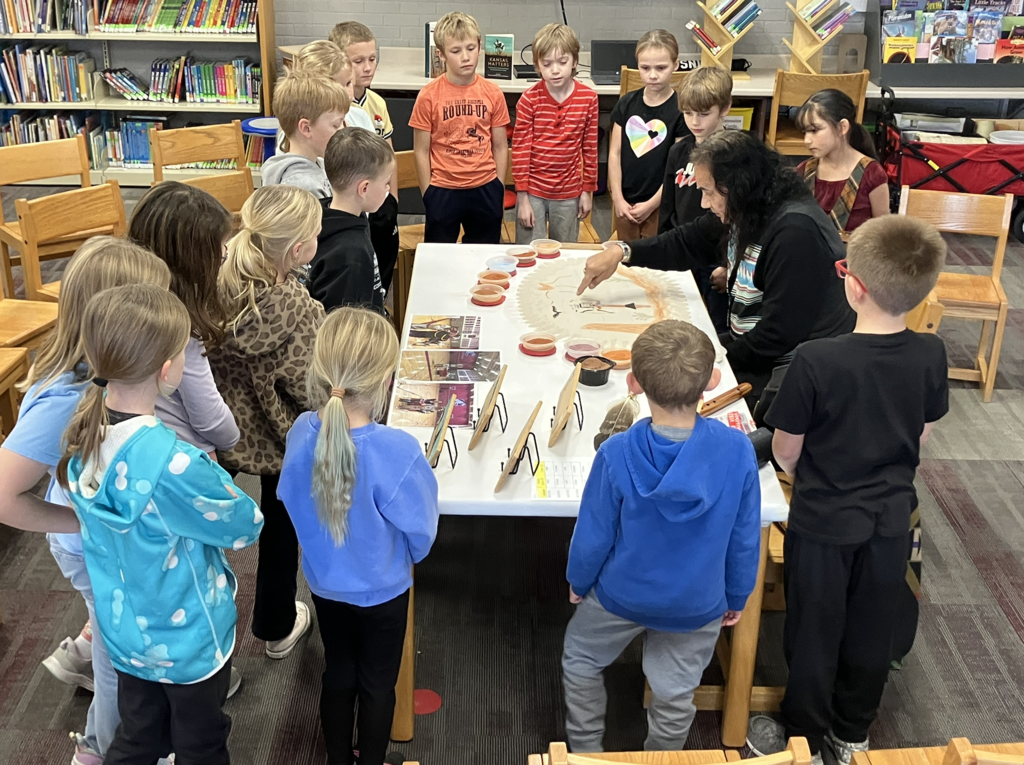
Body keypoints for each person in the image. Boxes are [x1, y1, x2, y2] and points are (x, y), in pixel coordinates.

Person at [747, 215, 949, 765]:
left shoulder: (817, 360)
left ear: (853, 285)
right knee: (872, 624)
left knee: (814, 627)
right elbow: (923, 431)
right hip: (892, 520)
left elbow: (787, 451)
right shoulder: (932, 354)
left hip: (823, 518)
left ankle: (806, 737)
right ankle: (853, 732)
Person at [57, 284, 262, 765]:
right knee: (201, 744)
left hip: (125, 633)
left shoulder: (82, 440)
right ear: (168, 370)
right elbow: (245, 525)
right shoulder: (175, 465)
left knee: (139, 737)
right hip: (189, 639)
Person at [0, 238, 172, 765]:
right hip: (90, 546)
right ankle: (101, 749)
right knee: (117, 655)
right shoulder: (68, 398)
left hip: (104, 541)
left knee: (116, 640)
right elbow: (4, 494)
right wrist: (79, 522)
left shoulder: (99, 380)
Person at [562, 320, 761, 753]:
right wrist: (737, 595)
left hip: (622, 594)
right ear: (712, 380)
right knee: (675, 694)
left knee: (579, 658)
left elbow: (593, 535)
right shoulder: (738, 450)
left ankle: (585, 753)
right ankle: (663, 759)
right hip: (699, 602)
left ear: (633, 383)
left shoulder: (614, 453)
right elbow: (745, 537)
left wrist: (579, 583)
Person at [579, 130, 855, 402]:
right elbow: (687, 242)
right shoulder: (749, 205)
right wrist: (621, 250)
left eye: (708, 192)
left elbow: (778, 335)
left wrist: (707, 354)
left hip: (791, 372)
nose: (703, 203)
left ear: (738, 185)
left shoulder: (796, 233)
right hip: (759, 349)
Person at [279, 307, 439, 765]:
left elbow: (290, 500)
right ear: (386, 382)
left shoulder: (300, 434)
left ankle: (337, 761)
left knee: (339, 672)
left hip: (325, 584)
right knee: (377, 682)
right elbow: (422, 533)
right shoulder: (398, 451)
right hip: (384, 590)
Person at [209, 185, 326, 661]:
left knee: (202, 520)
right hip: (280, 439)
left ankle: (206, 625)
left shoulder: (212, 284)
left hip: (216, 430)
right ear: (298, 250)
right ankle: (276, 626)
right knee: (282, 529)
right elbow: (309, 388)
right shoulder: (298, 309)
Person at [409, 11, 511, 244]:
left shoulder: (493, 93)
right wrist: (429, 194)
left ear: (479, 46)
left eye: (471, 48)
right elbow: (421, 151)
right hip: (443, 188)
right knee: (440, 261)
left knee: (484, 259)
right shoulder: (428, 96)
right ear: (441, 55)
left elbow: (500, 146)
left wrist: (498, 188)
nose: (465, 57)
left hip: (485, 186)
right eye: (456, 51)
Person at [658, 65, 732, 331]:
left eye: (703, 114)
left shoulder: (735, 154)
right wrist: (666, 253)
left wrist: (729, 266)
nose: (695, 122)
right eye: (688, 113)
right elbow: (668, 206)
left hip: (718, 258)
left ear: (724, 108)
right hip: (684, 251)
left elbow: (747, 219)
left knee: (715, 327)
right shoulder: (679, 151)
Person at [511, 23, 599, 245]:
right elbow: (520, 150)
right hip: (533, 192)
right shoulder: (529, 100)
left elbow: (589, 148)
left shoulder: (588, 99)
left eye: (562, 62)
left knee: (565, 251)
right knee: (529, 252)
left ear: (575, 61)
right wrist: (522, 198)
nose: (555, 70)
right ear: (538, 66)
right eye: (547, 64)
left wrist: (587, 191)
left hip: (569, 193)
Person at [330, 21, 402, 291]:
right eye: (358, 61)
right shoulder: (337, 112)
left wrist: (391, 200)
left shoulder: (376, 103)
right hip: (353, 203)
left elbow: (388, 155)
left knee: (382, 268)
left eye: (372, 59)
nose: (368, 67)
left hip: (378, 200)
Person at [608, 30, 689, 242]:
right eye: (645, 68)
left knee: (653, 261)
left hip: (659, 204)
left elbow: (678, 167)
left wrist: (652, 204)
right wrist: (617, 197)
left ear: (675, 65)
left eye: (661, 68)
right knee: (625, 259)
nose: (653, 75)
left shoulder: (681, 111)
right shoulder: (626, 104)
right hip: (626, 201)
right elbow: (614, 154)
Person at [312, 126, 394, 313]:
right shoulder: (351, 256)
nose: (388, 189)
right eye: (386, 183)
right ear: (364, 189)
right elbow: (346, 331)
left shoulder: (323, 212)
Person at [796, 89, 889, 236]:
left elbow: (883, 234)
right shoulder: (803, 171)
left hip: (854, 257)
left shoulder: (871, 173)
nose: (807, 140)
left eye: (814, 130)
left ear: (842, 127)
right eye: (805, 132)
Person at [263, 72, 350, 197]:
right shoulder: (303, 187)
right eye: (336, 125)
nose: (342, 130)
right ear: (306, 128)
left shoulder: (316, 164)